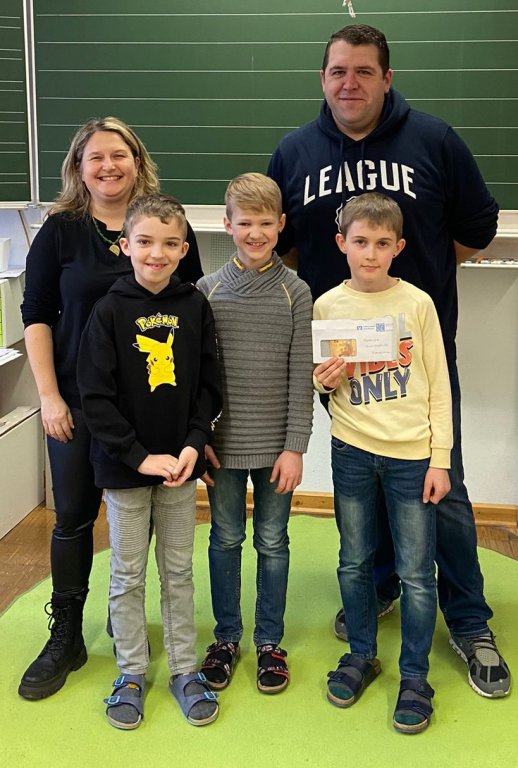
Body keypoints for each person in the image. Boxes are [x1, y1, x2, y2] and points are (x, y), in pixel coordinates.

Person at [267, 23, 511, 698]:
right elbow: (283, 247)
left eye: (364, 71)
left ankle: (469, 620)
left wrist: (412, 283)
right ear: (322, 79)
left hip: (417, 360)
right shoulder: (294, 151)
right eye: (338, 71)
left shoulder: (433, 139)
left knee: (444, 487)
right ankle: (379, 588)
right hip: (341, 364)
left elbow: (478, 229)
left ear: (387, 78)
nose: (350, 83)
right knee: (364, 480)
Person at [19, 117, 204, 701]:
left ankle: (143, 635)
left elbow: (193, 314)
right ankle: (67, 635)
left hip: (156, 410)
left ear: (136, 161)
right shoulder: (60, 230)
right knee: (74, 516)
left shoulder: (165, 225)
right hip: (79, 404)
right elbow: (36, 313)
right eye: (95, 156)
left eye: (118, 155)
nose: (108, 166)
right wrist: (49, 396)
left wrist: (201, 426)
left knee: (147, 531)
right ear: (78, 166)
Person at [76, 193, 222, 729]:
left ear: (184, 249)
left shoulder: (195, 306)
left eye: (168, 243)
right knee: (127, 573)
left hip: (181, 468)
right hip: (126, 471)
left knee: (178, 571)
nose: (156, 253)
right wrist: (138, 457)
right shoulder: (108, 310)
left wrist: (193, 443)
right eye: (144, 242)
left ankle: (185, 669)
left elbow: (209, 385)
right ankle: (131, 672)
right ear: (125, 245)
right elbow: (95, 397)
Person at [314, 192, 451, 733]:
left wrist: (440, 459)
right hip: (351, 450)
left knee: (416, 572)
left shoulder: (417, 304)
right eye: (360, 242)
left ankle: (415, 676)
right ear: (341, 243)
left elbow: (439, 385)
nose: (370, 253)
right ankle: (361, 654)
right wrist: (322, 381)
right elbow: (324, 383)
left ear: (398, 247)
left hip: (412, 456)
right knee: (353, 560)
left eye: (381, 243)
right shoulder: (327, 306)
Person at [196, 173, 313, 694]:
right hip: (222, 447)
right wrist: (199, 437)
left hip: (276, 451)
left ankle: (269, 642)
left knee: (272, 541)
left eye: (266, 223)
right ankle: (226, 638)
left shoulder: (296, 292)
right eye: (245, 223)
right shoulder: (207, 290)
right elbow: (199, 377)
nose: (256, 233)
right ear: (228, 225)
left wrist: (295, 447)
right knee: (225, 539)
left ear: (281, 224)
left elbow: (300, 377)